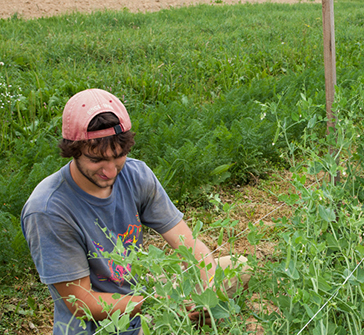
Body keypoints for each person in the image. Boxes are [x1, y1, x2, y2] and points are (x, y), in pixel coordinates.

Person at [21, 89, 250, 335]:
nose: (110, 171)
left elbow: (187, 242)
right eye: (97, 160)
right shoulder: (48, 209)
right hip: (103, 326)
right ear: (73, 150)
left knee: (240, 267)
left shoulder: (135, 175)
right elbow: (81, 302)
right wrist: (164, 305)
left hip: (146, 300)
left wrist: (208, 292)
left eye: (118, 157)